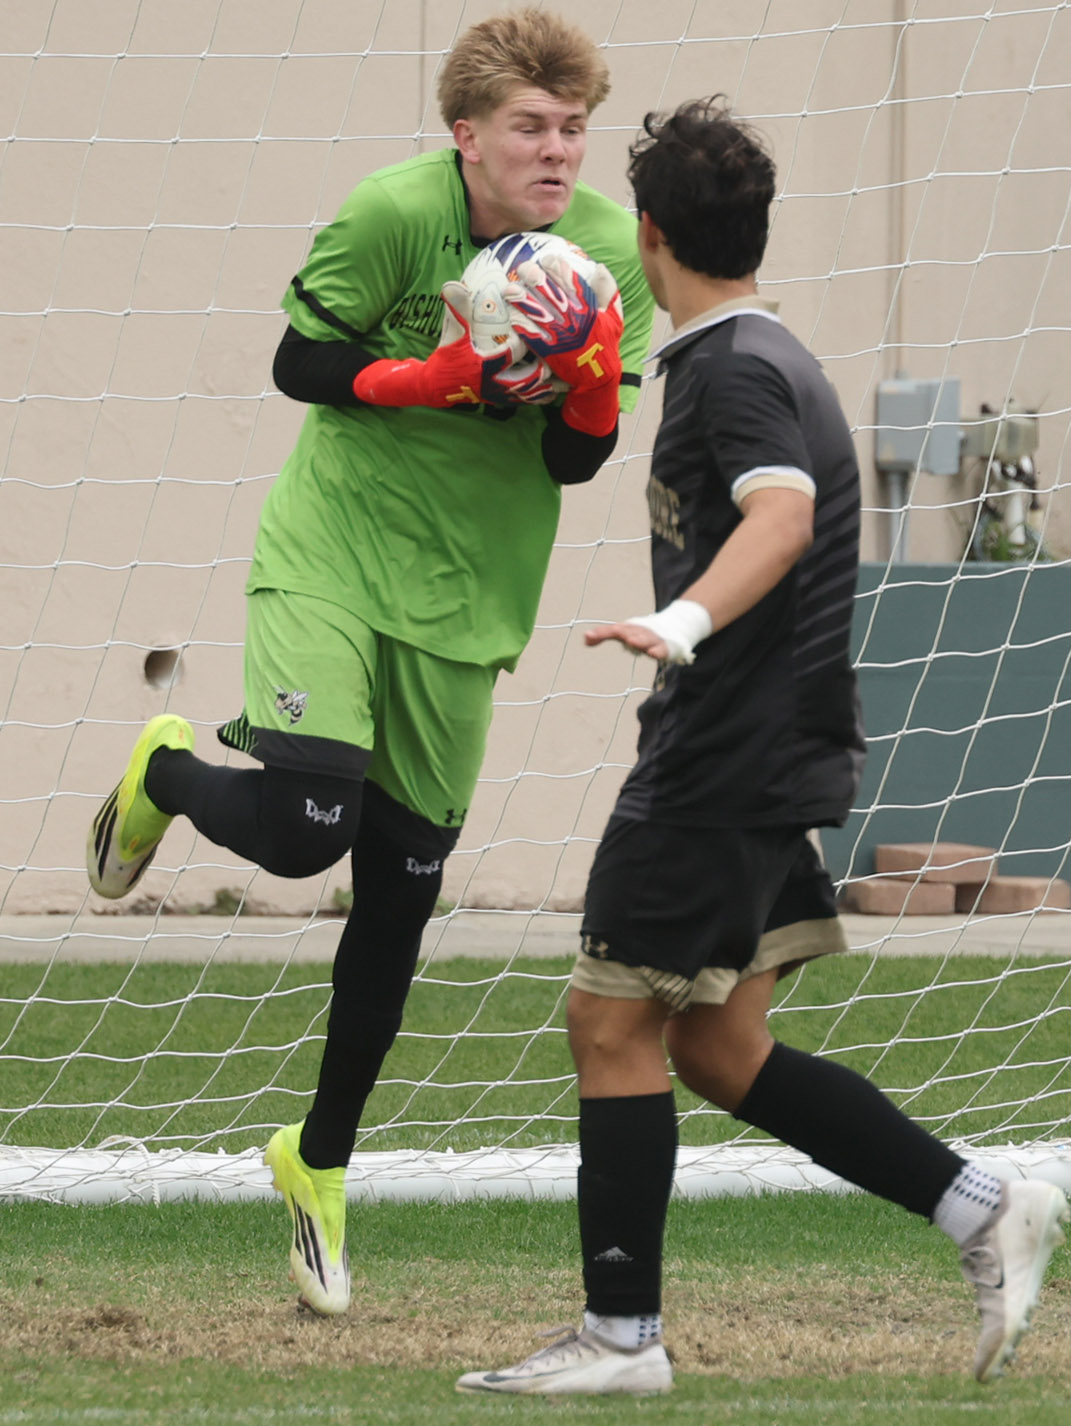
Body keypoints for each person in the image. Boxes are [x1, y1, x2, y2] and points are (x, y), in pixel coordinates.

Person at [458, 98, 1068, 1398]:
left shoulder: (736, 371)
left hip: (722, 751)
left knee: (607, 1020)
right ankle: (983, 1206)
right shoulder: (763, 352)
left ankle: (622, 1338)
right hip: (765, 743)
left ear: (656, 237)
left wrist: (677, 620)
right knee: (719, 1049)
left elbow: (779, 516)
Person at [82, 6, 651, 1316]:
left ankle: (319, 1159)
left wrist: (593, 386)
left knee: (396, 899)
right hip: (333, 552)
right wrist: (435, 375)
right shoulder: (393, 213)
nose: (557, 152)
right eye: (529, 128)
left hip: (466, 606)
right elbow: (299, 360)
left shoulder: (604, 257)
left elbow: (574, 462)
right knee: (302, 831)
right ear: (468, 137)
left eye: (572, 129)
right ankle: (169, 771)